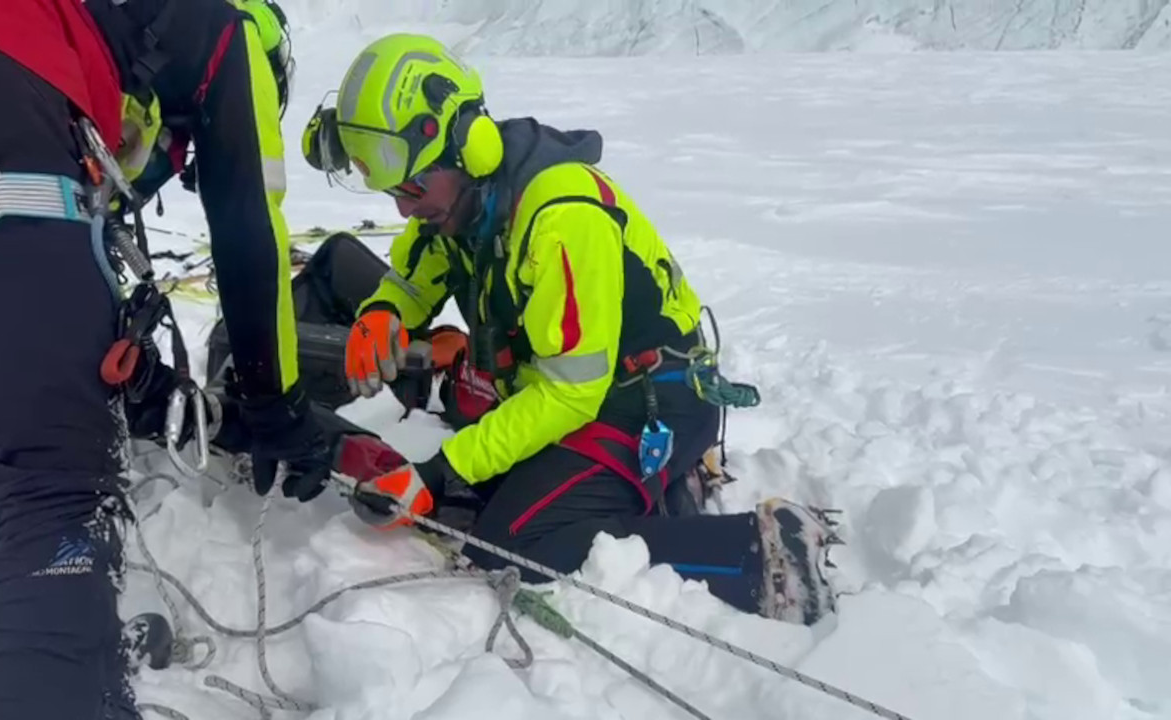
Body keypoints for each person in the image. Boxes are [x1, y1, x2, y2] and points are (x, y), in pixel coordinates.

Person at [301, 33, 844, 628]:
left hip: (646, 401)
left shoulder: (562, 221)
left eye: (411, 189)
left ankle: (767, 551)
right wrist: (385, 312)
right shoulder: (463, 203)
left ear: (466, 150)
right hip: (565, 386)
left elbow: (569, 393)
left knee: (513, 543)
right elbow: (418, 270)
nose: (405, 209)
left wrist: (439, 473)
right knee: (488, 471)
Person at [0, 0, 337, 717]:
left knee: (1, 438)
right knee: (55, 470)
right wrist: (274, 403)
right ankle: (60, 674)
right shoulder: (229, 31)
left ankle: (78, 656)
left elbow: (67, 275)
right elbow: (249, 225)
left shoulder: (116, 31)